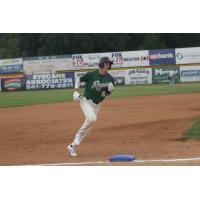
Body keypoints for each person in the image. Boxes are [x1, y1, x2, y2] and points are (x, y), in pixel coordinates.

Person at [67, 57, 115, 157]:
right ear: (102, 64)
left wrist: (109, 91)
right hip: (86, 101)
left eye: (109, 64)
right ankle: (77, 136)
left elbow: (106, 94)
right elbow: (79, 79)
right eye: (107, 64)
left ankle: (72, 146)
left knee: (89, 127)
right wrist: (76, 91)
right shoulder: (92, 74)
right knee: (92, 119)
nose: (109, 65)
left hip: (97, 105)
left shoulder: (110, 79)